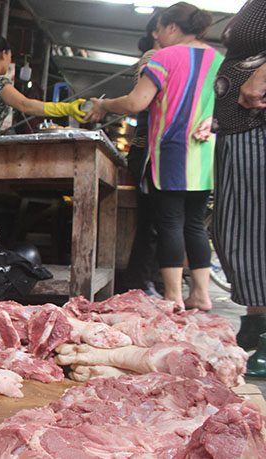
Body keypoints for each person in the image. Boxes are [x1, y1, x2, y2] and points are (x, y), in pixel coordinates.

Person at [85, 2, 223, 310]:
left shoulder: (165, 57)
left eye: (159, 29)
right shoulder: (218, 60)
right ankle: (201, 294)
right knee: (195, 223)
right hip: (205, 155)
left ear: (172, 27)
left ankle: (173, 297)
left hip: (172, 151)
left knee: (171, 222)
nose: (157, 36)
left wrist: (105, 105)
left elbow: (137, 102)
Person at [209, 0, 266, 350]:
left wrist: (261, 74)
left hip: (255, 123)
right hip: (241, 126)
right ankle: (257, 322)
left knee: (252, 229)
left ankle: (261, 334)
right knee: (241, 230)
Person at [0, 35, 87, 136]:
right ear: (4, 54)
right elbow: (26, 105)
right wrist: (68, 108)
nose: (9, 61)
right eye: (10, 57)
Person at [122, 12, 163, 299]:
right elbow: (143, 99)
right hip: (146, 149)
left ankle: (144, 281)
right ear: (160, 31)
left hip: (160, 149)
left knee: (161, 220)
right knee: (151, 219)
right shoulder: (153, 56)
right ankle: (139, 284)